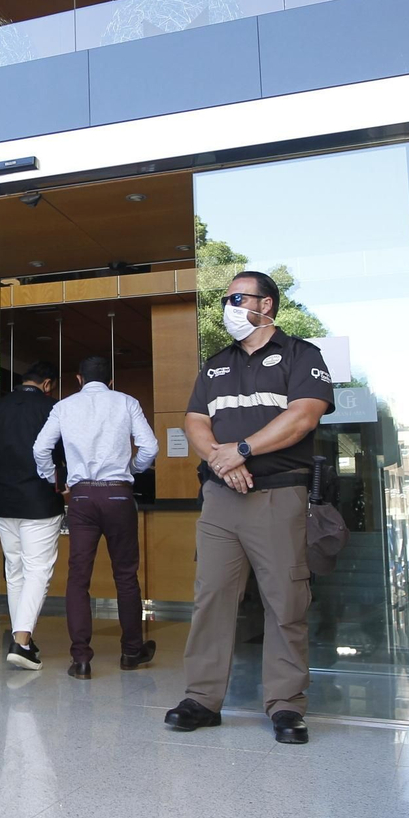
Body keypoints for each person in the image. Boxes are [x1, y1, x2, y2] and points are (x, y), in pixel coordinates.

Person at [165, 270, 333, 745]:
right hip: (221, 497)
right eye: (226, 299)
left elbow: (302, 417)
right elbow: (195, 419)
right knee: (212, 597)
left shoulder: (302, 355)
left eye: (239, 298)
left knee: (285, 601)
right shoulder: (217, 364)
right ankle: (202, 698)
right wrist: (223, 460)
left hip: (278, 494)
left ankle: (285, 705)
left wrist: (240, 450)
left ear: (268, 306)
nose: (230, 307)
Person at [32, 355, 158, 679]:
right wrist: (130, 470)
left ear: (78, 379)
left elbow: (40, 449)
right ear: (111, 381)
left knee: (78, 577)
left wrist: (53, 479)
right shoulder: (127, 402)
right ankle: (131, 651)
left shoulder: (64, 406)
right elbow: (150, 447)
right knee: (126, 575)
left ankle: (81, 659)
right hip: (118, 494)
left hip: (82, 496)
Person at [0, 361, 63, 670]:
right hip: (40, 501)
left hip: (3, 501)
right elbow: (63, 452)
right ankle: (22, 642)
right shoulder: (52, 409)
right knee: (38, 570)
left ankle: (22, 636)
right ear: (47, 384)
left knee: (15, 570)